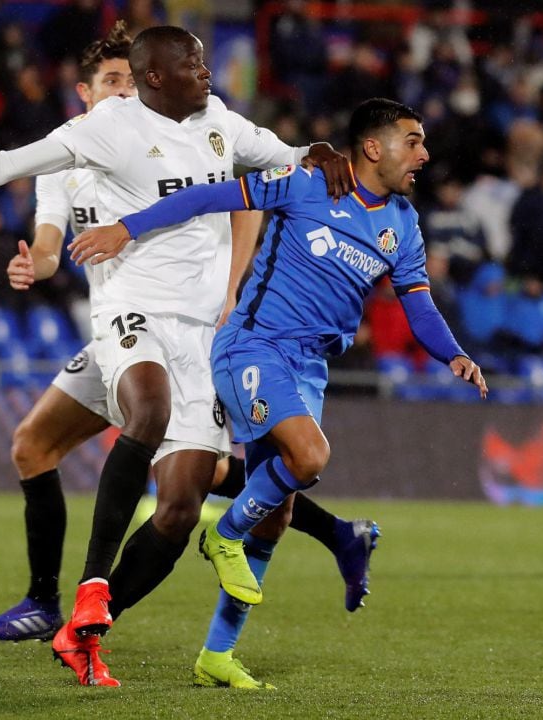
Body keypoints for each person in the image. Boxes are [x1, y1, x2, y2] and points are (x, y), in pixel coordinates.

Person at [0, 25, 355, 687]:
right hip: (129, 309)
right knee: (136, 413)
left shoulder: (220, 122)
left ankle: (84, 632)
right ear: (150, 76)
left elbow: (286, 158)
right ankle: (84, 586)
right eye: (191, 61)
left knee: (182, 506)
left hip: (202, 336)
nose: (206, 68)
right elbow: (8, 162)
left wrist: (323, 152)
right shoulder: (102, 131)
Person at [69, 98, 487, 685]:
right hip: (253, 346)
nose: (424, 153)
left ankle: (216, 654)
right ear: (373, 147)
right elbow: (209, 197)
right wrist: (125, 228)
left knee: (278, 515)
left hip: (308, 367)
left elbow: (419, 306)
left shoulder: (403, 224)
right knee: (309, 458)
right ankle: (223, 533)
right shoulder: (307, 183)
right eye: (413, 141)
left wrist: (456, 354)